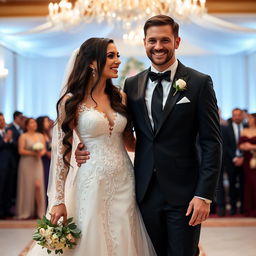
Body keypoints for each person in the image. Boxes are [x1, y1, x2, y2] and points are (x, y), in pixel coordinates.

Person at [76, 15, 222, 256]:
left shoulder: (199, 83)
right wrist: (85, 147)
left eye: (165, 40)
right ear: (144, 42)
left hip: (185, 194)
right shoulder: (131, 84)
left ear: (177, 41)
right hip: (140, 192)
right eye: (152, 40)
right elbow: (118, 128)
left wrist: (204, 195)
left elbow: (212, 143)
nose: (158, 46)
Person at [27, 38, 156, 255]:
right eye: (111, 56)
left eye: (118, 56)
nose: (118, 61)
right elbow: (60, 154)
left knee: (125, 235)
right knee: (92, 236)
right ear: (91, 62)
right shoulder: (71, 102)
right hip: (92, 181)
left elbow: (130, 143)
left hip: (125, 179)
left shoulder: (120, 97)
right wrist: (58, 200)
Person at [16, 118, 46, 219]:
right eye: (32, 122)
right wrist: (33, 152)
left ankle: (40, 212)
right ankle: (26, 211)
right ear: (27, 125)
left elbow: (44, 151)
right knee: (27, 186)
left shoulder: (40, 136)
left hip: (37, 163)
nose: (34, 124)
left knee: (38, 186)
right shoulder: (23, 136)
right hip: (26, 163)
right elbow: (21, 150)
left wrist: (40, 152)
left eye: (35, 122)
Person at [222, 108, 246, 215]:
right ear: (232, 116)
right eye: (235, 115)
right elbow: (226, 146)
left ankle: (243, 207)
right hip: (231, 161)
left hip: (245, 161)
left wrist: (243, 157)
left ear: (242, 116)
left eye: (239, 115)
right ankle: (232, 207)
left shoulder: (247, 127)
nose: (237, 117)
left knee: (243, 185)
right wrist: (235, 158)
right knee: (232, 184)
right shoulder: (226, 129)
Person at [239, 114, 256, 217]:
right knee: (248, 184)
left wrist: (251, 146)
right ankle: (249, 209)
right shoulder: (244, 131)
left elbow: (247, 145)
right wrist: (247, 147)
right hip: (248, 161)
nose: (248, 120)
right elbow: (240, 145)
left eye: (250, 118)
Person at [0, 113, 15, 219]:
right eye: (0, 120)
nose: (2, 121)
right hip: (1, 165)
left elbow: (14, 146)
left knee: (8, 189)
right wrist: (5, 140)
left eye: (3, 119)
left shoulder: (7, 131)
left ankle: (6, 210)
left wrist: (10, 140)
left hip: (10, 165)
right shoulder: (4, 135)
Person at [36, 115, 52, 204]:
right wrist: (48, 153)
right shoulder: (40, 135)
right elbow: (42, 149)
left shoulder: (48, 134)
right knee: (45, 181)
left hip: (49, 161)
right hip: (43, 161)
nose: (48, 123)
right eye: (46, 121)